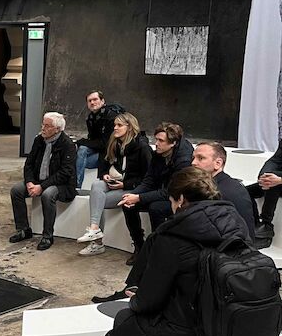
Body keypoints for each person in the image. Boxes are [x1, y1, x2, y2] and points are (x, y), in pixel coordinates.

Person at [100, 167, 252, 336]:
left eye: (171, 200)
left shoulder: (172, 237)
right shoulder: (236, 222)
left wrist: (136, 298)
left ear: (180, 200)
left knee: (123, 321)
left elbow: (148, 302)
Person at [76, 113, 152, 256]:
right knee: (97, 185)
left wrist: (124, 185)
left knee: (97, 199)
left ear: (129, 127)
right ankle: (94, 230)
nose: (115, 128)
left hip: (133, 188)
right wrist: (104, 174)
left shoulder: (142, 147)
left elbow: (148, 178)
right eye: (114, 125)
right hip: (115, 182)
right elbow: (104, 162)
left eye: (119, 125)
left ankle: (97, 242)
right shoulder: (114, 142)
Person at [117, 122, 192, 264]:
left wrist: (139, 197)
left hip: (181, 198)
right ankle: (140, 246)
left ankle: (157, 249)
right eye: (156, 139)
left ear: (173, 143)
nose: (156, 144)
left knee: (156, 208)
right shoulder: (158, 153)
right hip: (164, 192)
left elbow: (171, 190)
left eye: (161, 141)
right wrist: (132, 195)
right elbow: (148, 180)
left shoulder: (184, 160)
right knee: (128, 205)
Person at [9, 112, 77, 250]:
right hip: (37, 181)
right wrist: (29, 182)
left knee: (48, 194)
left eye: (47, 126)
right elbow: (29, 164)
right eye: (43, 124)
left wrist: (42, 186)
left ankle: (47, 236)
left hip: (61, 185)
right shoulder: (39, 140)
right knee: (16, 190)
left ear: (57, 129)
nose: (43, 128)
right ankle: (23, 229)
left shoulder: (67, 144)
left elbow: (65, 173)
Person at [191, 142, 255, 238]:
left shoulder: (214, 193)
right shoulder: (232, 185)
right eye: (193, 158)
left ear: (218, 163)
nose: (193, 163)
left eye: (200, 158)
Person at [75, 90, 124, 188]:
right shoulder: (91, 118)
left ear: (102, 101)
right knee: (80, 152)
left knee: (81, 150)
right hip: (98, 151)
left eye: (95, 99)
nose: (92, 103)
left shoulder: (111, 116)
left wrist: (80, 142)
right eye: (89, 101)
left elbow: (105, 143)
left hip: (110, 155)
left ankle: (77, 186)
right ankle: (75, 187)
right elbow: (93, 140)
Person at [246, 139, 282, 240]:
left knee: (273, 181)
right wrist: (264, 174)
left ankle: (266, 223)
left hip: (278, 182)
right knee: (245, 191)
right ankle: (255, 222)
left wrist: (279, 179)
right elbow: (275, 159)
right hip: (275, 182)